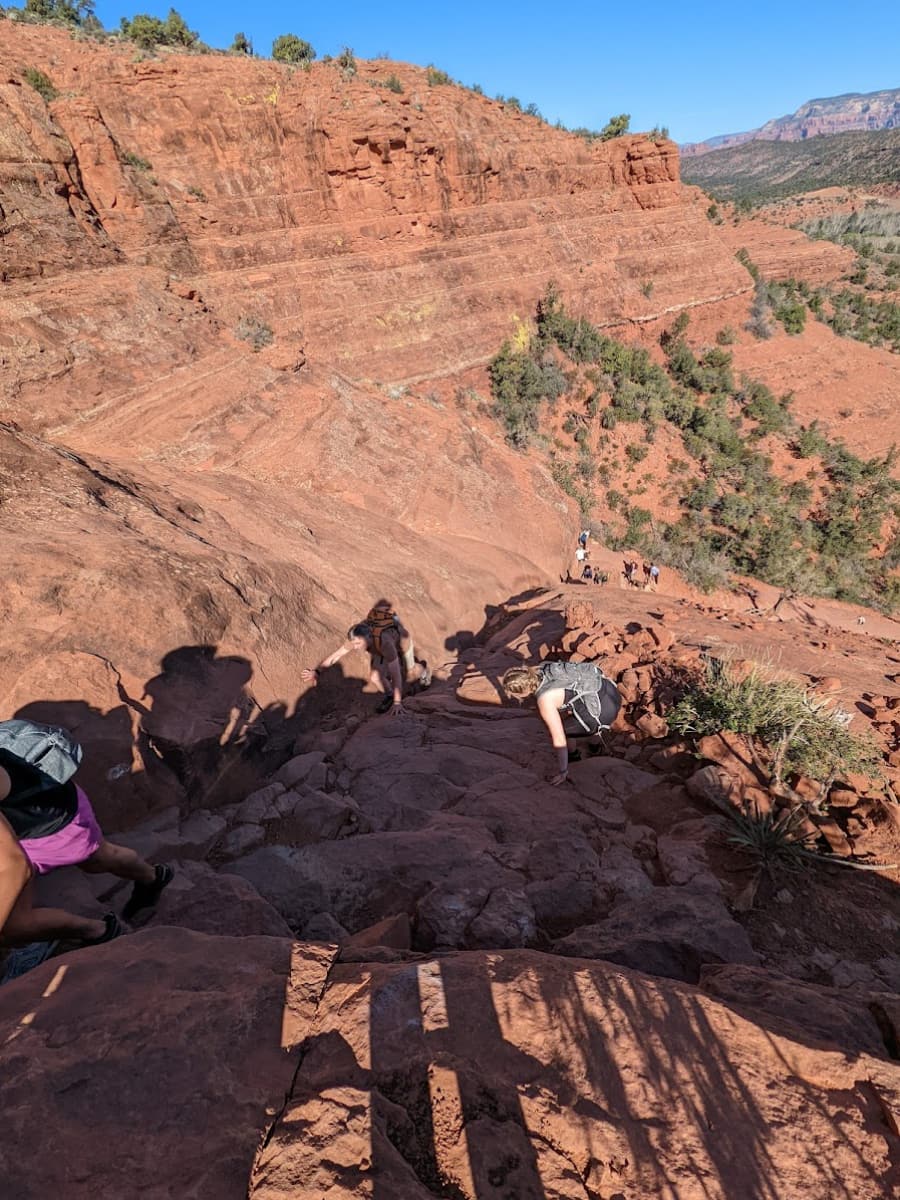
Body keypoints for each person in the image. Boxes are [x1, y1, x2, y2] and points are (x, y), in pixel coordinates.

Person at [0, 749, 173, 948]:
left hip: (51, 822)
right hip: (35, 803)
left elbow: (15, 865)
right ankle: (152, 878)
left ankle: (99, 929)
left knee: (15, 925)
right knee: (100, 857)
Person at [501, 661, 622, 787]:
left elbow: (559, 738)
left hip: (603, 712)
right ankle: (595, 747)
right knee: (583, 710)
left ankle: (573, 756)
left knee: (565, 730)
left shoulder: (545, 700)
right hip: (610, 691)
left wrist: (563, 771)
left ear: (522, 692)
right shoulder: (546, 667)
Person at [301, 601, 431, 717]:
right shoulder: (356, 636)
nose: (355, 647)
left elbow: (396, 675)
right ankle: (389, 695)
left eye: (358, 644)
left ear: (368, 637)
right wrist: (317, 672)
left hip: (402, 644)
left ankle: (424, 671)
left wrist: (398, 703)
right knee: (375, 677)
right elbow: (337, 655)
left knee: (410, 671)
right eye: (354, 644)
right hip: (378, 648)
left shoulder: (384, 642)